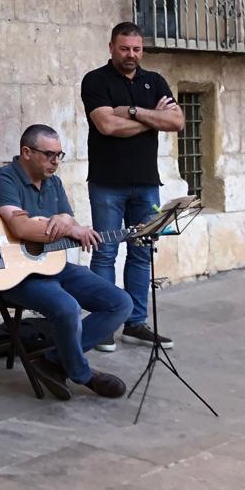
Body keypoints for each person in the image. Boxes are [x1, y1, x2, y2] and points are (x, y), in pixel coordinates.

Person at [0, 124, 131, 399]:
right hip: (10, 272)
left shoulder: (54, 183)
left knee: (121, 303)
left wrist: (65, 221)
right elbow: (21, 229)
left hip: (50, 263)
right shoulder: (2, 179)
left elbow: (68, 220)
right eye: (49, 154)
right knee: (67, 308)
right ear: (26, 152)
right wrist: (68, 226)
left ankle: (55, 360)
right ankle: (83, 373)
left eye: (60, 155)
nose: (55, 162)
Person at [81, 22, 184, 351]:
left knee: (142, 254)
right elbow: (106, 125)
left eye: (137, 49)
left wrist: (135, 111)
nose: (131, 55)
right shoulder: (96, 80)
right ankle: (104, 326)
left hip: (146, 184)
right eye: (125, 48)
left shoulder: (154, 81)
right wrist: (153, 118)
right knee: (105, 253)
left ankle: (135, 324)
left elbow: (177, 122)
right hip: (106, 184)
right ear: (111, 47)